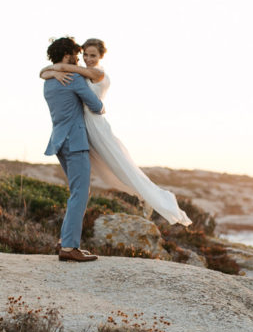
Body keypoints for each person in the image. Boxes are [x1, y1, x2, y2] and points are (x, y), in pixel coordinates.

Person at [41, 38, 192, 226]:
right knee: (96, 178)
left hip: (93, 125)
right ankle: (69, 244)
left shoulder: (94, 73)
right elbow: (67, 77)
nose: (86, 59)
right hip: (81, 129)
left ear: (101, 57)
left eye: (92, 55)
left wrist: (54, 70)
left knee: (120, 165)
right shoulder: (74, 76)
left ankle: (150, 196)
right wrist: (53, 71)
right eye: (84, 55)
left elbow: (66, 74)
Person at [43, 37, 105, 262]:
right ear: (66, 54)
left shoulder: (48, 80)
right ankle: (69, 247)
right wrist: (102, 105)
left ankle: (64, 241)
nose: (78, 59)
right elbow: (96, 107)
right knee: (80, 193)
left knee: (77, 192)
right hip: (75, 142)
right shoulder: (74, 78)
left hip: (59, 141)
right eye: (75, 55)